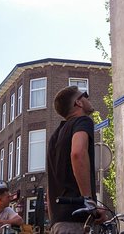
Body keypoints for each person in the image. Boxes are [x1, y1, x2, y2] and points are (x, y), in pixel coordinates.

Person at [47, 86, 104, 234]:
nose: (88, 98)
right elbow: (78, 153)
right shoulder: (83, 121)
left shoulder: (54, 137)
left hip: (58, 222)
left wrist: (54, 218)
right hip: (77, 221)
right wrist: (89, 201)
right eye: (85, 95)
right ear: (78, 103)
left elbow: (50, 181)